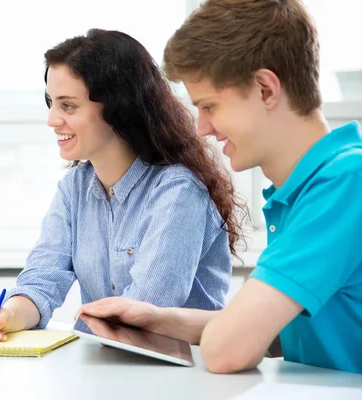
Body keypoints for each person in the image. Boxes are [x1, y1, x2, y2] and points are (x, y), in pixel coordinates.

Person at [79, 0, 362, 375]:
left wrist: (225, 334)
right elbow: (280, 334)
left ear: (265, 89)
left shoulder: (344, 183)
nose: (201, 128)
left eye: (209, 106)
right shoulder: (303, 192)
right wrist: (159, 319)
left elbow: (227, 351)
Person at [0, 29, 245, 341]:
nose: (52, 120)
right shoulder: (74, 188)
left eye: (68, 105)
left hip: (172, 375)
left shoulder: (178, 191)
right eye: (50, 103)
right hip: (109, 366)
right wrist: (9, 314)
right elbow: (42, 281)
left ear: (117, 108)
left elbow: (144, 311)